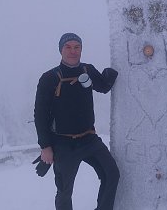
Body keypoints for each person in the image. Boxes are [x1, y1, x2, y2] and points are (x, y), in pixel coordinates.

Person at [34, 33, 120, 210]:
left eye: (77, 47)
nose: (73, 51)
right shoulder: (49, 78)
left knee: (112, 174)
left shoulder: (87, 70)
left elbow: (103, 86)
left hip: (89, 139)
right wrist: (45, 147)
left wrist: (114, 71)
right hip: (64, 144)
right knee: (65, 192)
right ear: (61, 50)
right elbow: (40, 114)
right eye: (68, 47)